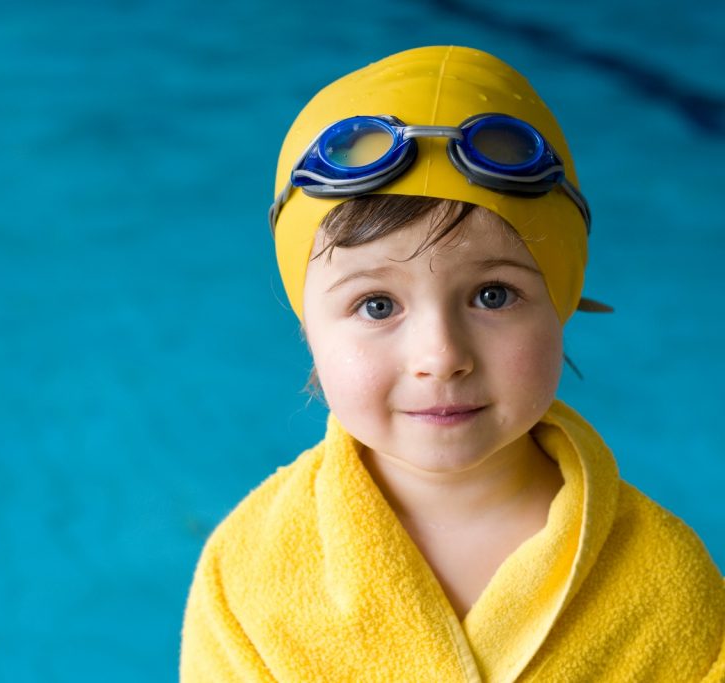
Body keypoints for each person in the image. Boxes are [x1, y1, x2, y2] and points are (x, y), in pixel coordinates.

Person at [179, 46, 725, 682]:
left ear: (561, 301)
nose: (441, 357)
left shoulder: (668, 583)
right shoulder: (247, 572)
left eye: (492, 295)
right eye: (377, 305)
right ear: (310, 330)